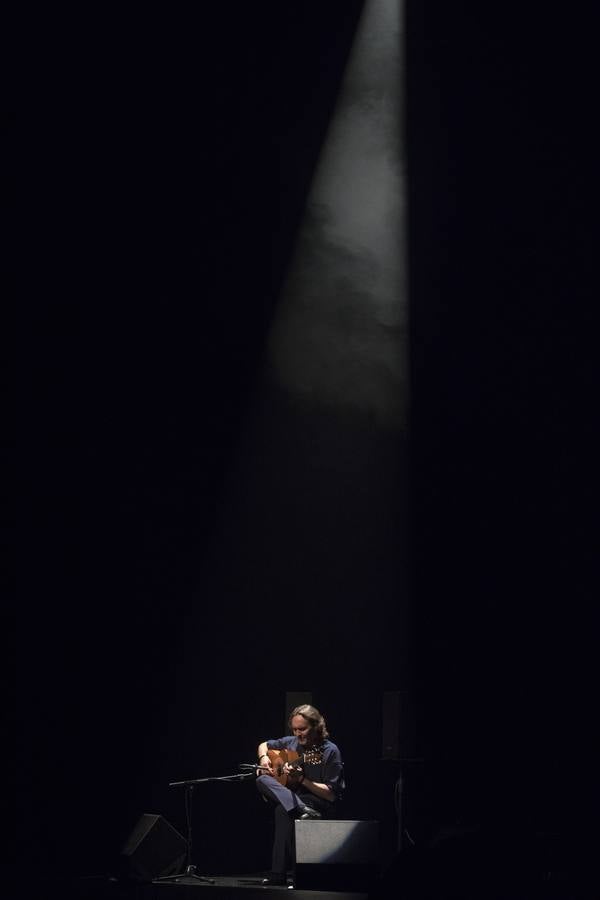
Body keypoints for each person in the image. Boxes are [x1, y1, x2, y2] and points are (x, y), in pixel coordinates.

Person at [256, 704, 345, 886]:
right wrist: (263, 758)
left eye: (302, 729)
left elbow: (331, 795)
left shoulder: (329, 751)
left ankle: (279, 874)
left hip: (319, 801)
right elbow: (263, 745)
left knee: (282, 810)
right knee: (261, 779)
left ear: (316, 727)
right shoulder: (291, 742)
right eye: (295, 729)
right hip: (297, 800)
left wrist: (302, 779)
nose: (298, 734)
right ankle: (301, 808)